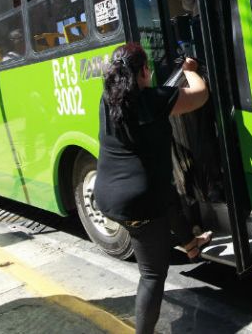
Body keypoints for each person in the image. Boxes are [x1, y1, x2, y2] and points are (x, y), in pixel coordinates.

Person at [95, 42, 212, 334]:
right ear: (145, 71)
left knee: (168, 196)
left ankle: (191, 244)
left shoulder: (108, 99)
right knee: (152, 275)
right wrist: (190, 70)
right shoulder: (153, 99)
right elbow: (200, 95)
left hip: (107, 194)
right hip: (138, 202)